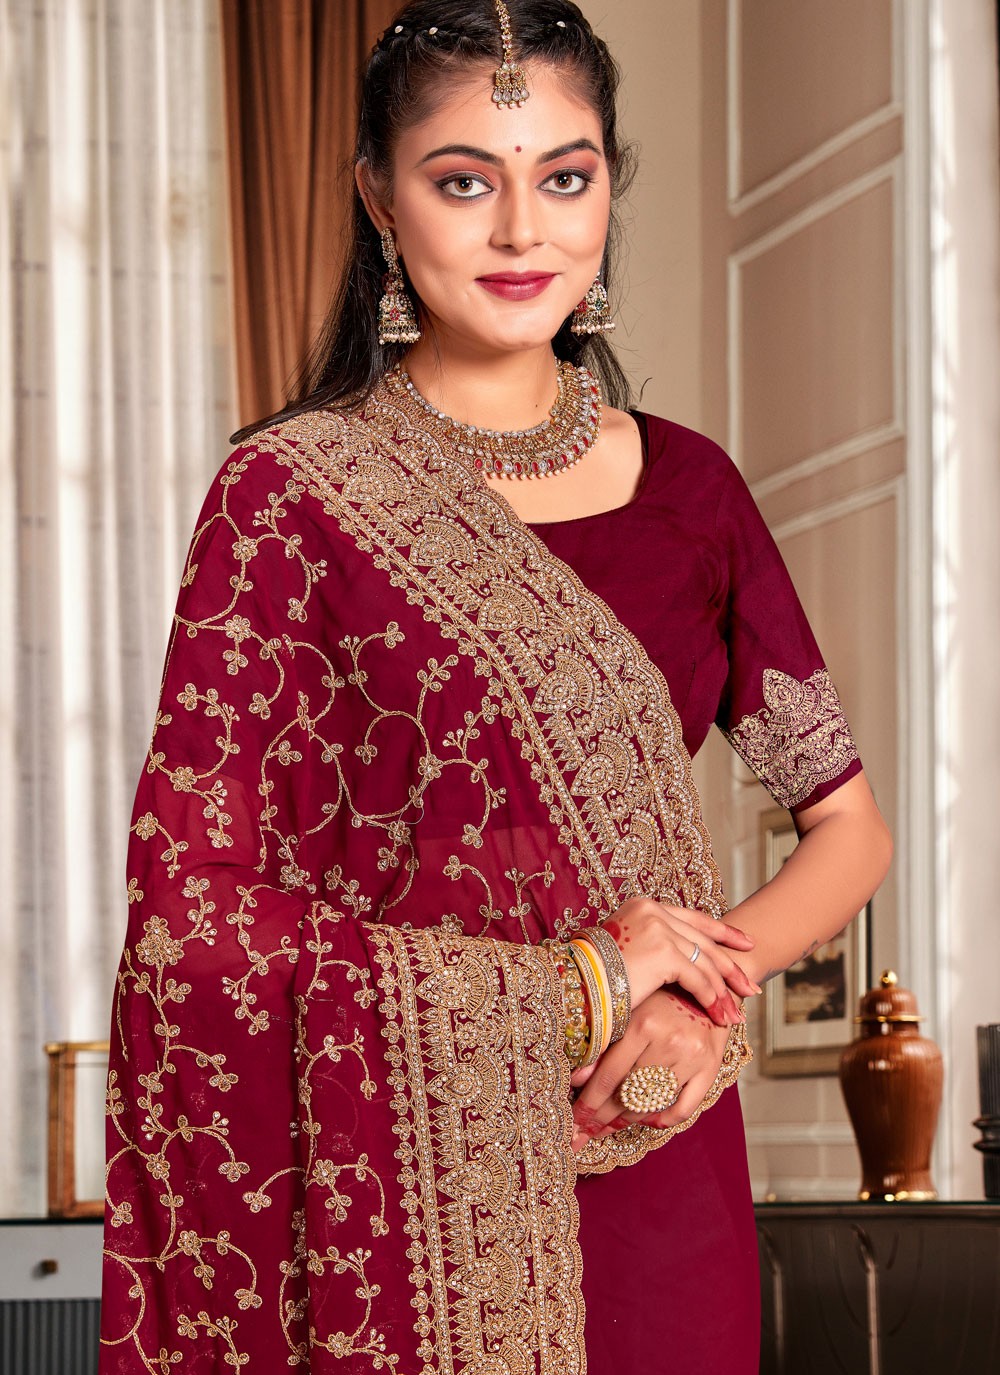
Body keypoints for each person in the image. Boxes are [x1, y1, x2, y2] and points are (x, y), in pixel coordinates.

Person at [99, 2, 892, 1371]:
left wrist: (691, 1000)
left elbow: (850, 828)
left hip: (659, 1146)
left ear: (606, 190)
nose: (525, 232)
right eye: (465, 181)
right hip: (400, 1192)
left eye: (564, 178)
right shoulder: (289, 498)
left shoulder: (691, 490)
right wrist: (580, 983)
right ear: (379, 200)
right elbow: (192, 920)